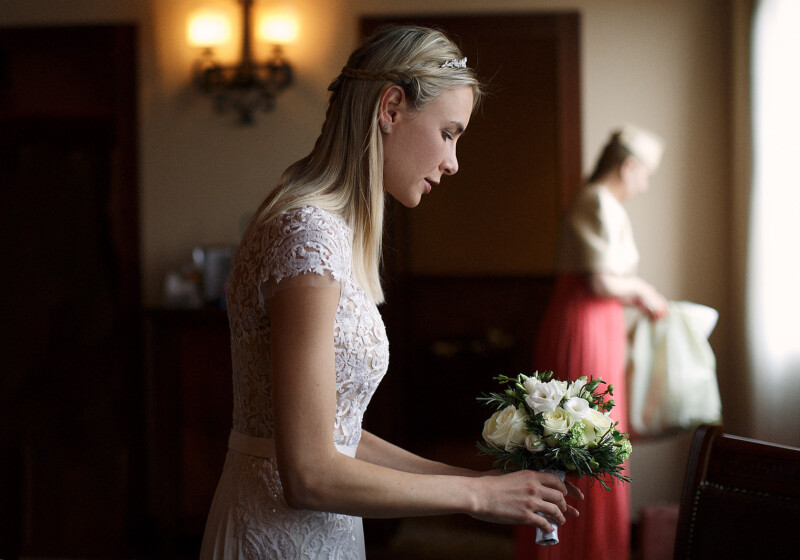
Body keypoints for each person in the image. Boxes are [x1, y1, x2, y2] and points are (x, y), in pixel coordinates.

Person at [199, 25, 583, 560]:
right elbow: (308, 473)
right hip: (276, 539)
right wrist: (475, 492)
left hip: (323, 535)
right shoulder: (307, 235)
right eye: (449, 132)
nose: (453, 161)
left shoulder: (329, 231)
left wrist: (476, 484)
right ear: (391, 108)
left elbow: (340, 435)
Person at [514, 125, 668, 560]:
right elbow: (600, 279)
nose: (646, 182)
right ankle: (575, 549)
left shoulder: (605, 204)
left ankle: (595, 547)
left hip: (599, 324)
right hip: (584, 324)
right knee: (581, 435)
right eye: (646, 172)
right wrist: (641, 290)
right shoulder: (595, 201)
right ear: (629, 166)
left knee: (595, 435)